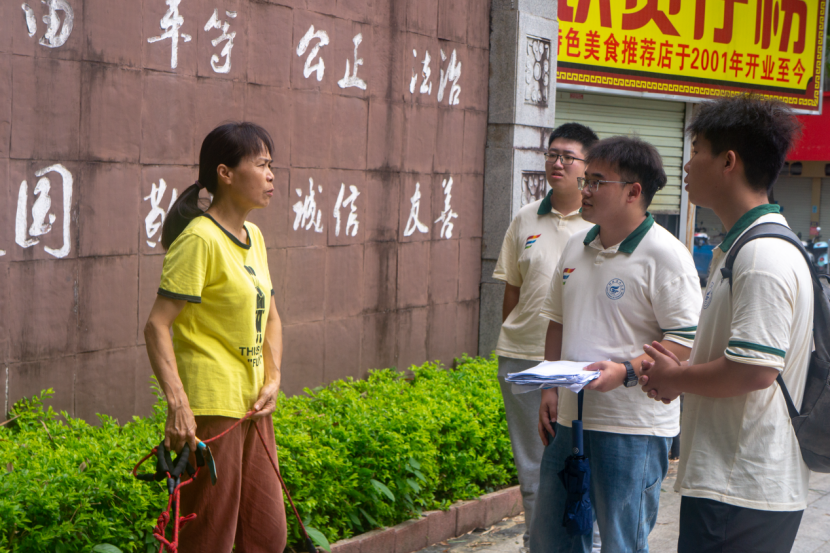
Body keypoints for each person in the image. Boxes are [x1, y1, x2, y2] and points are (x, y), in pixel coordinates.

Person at [638, 95, 810, 553]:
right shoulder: (743, 248)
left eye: (697, 151)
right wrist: (679, 374)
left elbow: (755, 370)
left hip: (741, 487)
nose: (687, 164)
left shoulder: (762, 256)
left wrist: (678, 378)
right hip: (734, 484)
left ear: (728, 161)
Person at [530, 136, 702, 553]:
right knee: (552, 539)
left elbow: (685, 340)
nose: (585, 190)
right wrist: (550, 387)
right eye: (586, 180)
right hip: (569, 420)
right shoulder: (577, 245)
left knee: (621, 543)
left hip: (632, 428)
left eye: (596, 182)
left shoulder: (666, 254)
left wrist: (625, 371)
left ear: (633, 192)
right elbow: (557, 321)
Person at [144, 122, 286, 552]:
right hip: (213, 408)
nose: (271, 175)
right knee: (209, 538)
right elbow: (157, 325)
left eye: (271, 166)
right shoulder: (199, 239)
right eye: (261, 165)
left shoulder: (253, 237)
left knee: (266, 535)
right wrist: (178, 405)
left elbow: (271, 317)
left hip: (253, 406)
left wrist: (273, 378)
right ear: (225, 173)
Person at [492, 123, 598, 550]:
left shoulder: (598, 224)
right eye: (552, 154)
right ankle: (536, 544)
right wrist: (517, 339)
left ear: (588, 167)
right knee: (533, 468)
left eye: (568, 156)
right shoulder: (525, 217)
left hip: (575, 363)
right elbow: (512, 291)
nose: (557, 163)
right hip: (522, 358)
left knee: (580, 463)